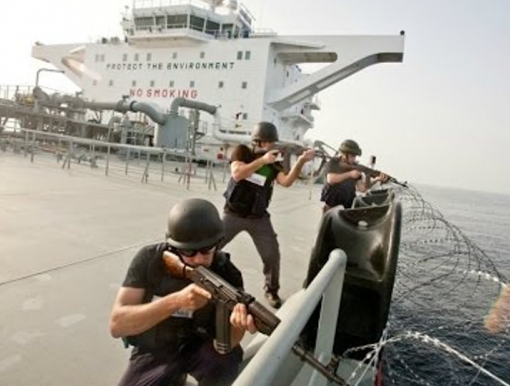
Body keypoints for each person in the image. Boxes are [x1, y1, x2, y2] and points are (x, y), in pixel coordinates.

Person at [109, 198, 257, 386]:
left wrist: (238, 326)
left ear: (217, 244)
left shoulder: (228, 273)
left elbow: (226, 346)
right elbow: (117, 325)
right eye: (189, 252)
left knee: (225, 363)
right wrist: (176, 302)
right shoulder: (150, 260)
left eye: (206, 250)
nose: (198, 259)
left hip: (201, 347)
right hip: (155, 351)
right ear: (173, 247)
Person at [221, 121, 314, 309]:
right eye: (269, 143)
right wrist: (262, 161)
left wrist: (301, 161)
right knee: (210, 245)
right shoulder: (242, 152)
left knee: (272, 255)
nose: (271, 146)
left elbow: (286, 182)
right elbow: (237, 173)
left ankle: (272, 291)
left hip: (259, 217)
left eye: (273, 143)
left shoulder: (273, 163)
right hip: (234, 213)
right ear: (259, 142)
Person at [320, 139, 388, 212]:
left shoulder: (355, 167)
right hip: (331, 207)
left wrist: (376, 179)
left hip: (347, 208)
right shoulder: (334, 162)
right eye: (352, 155)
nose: (354, 158)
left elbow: (362, 189)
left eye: (355, 156)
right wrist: (350, 174)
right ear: (344, 154)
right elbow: (331, 179)